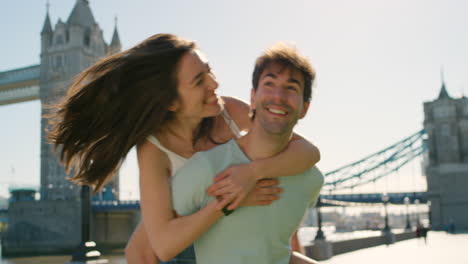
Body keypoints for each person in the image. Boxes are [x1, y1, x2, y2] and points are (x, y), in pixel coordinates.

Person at [47, 33, 320, 264]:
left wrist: (251, 173)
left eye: (209, 70)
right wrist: (228, 202)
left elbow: (308, 152)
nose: (214, 83)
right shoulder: (154, 149)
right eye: (199, 81)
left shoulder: (229, 111)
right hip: (186, 243)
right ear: (171, 103)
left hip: (242, 234)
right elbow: (161, 245)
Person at [171, 43, 324, 263]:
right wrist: (221, 207)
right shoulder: (206, 168)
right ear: (252, 98)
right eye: (269, 84)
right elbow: (156, 244)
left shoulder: (312, 180)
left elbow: (278, 248)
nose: (278, 96)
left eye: (291, 88)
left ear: (305, 108)